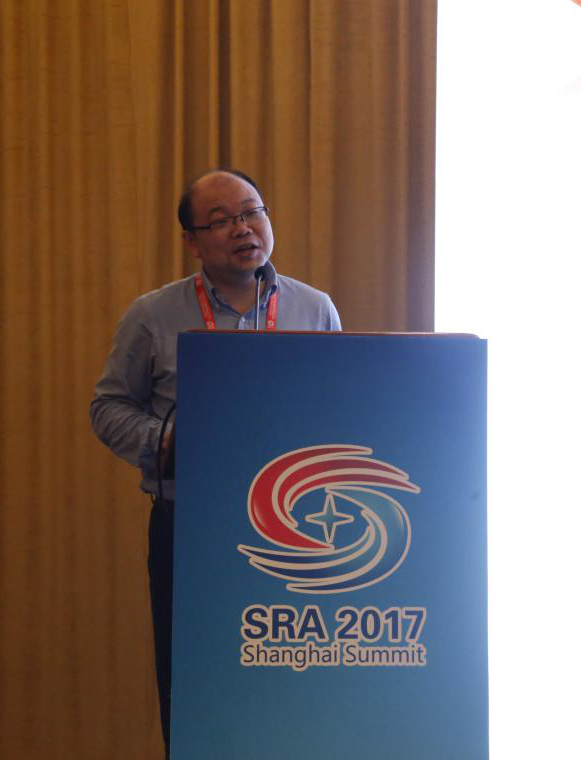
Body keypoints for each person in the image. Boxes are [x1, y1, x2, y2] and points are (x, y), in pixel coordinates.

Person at [88, 168, 341, 756]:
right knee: (197, 689)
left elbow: (338, 404)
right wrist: (166, 439)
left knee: (289, 686)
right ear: (193, 242)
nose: (243, 228)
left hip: (295, 533)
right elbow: (107, 407)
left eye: (251, 212)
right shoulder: (153, 315)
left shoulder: (314, 308)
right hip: (192, 530)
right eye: (222, 220)